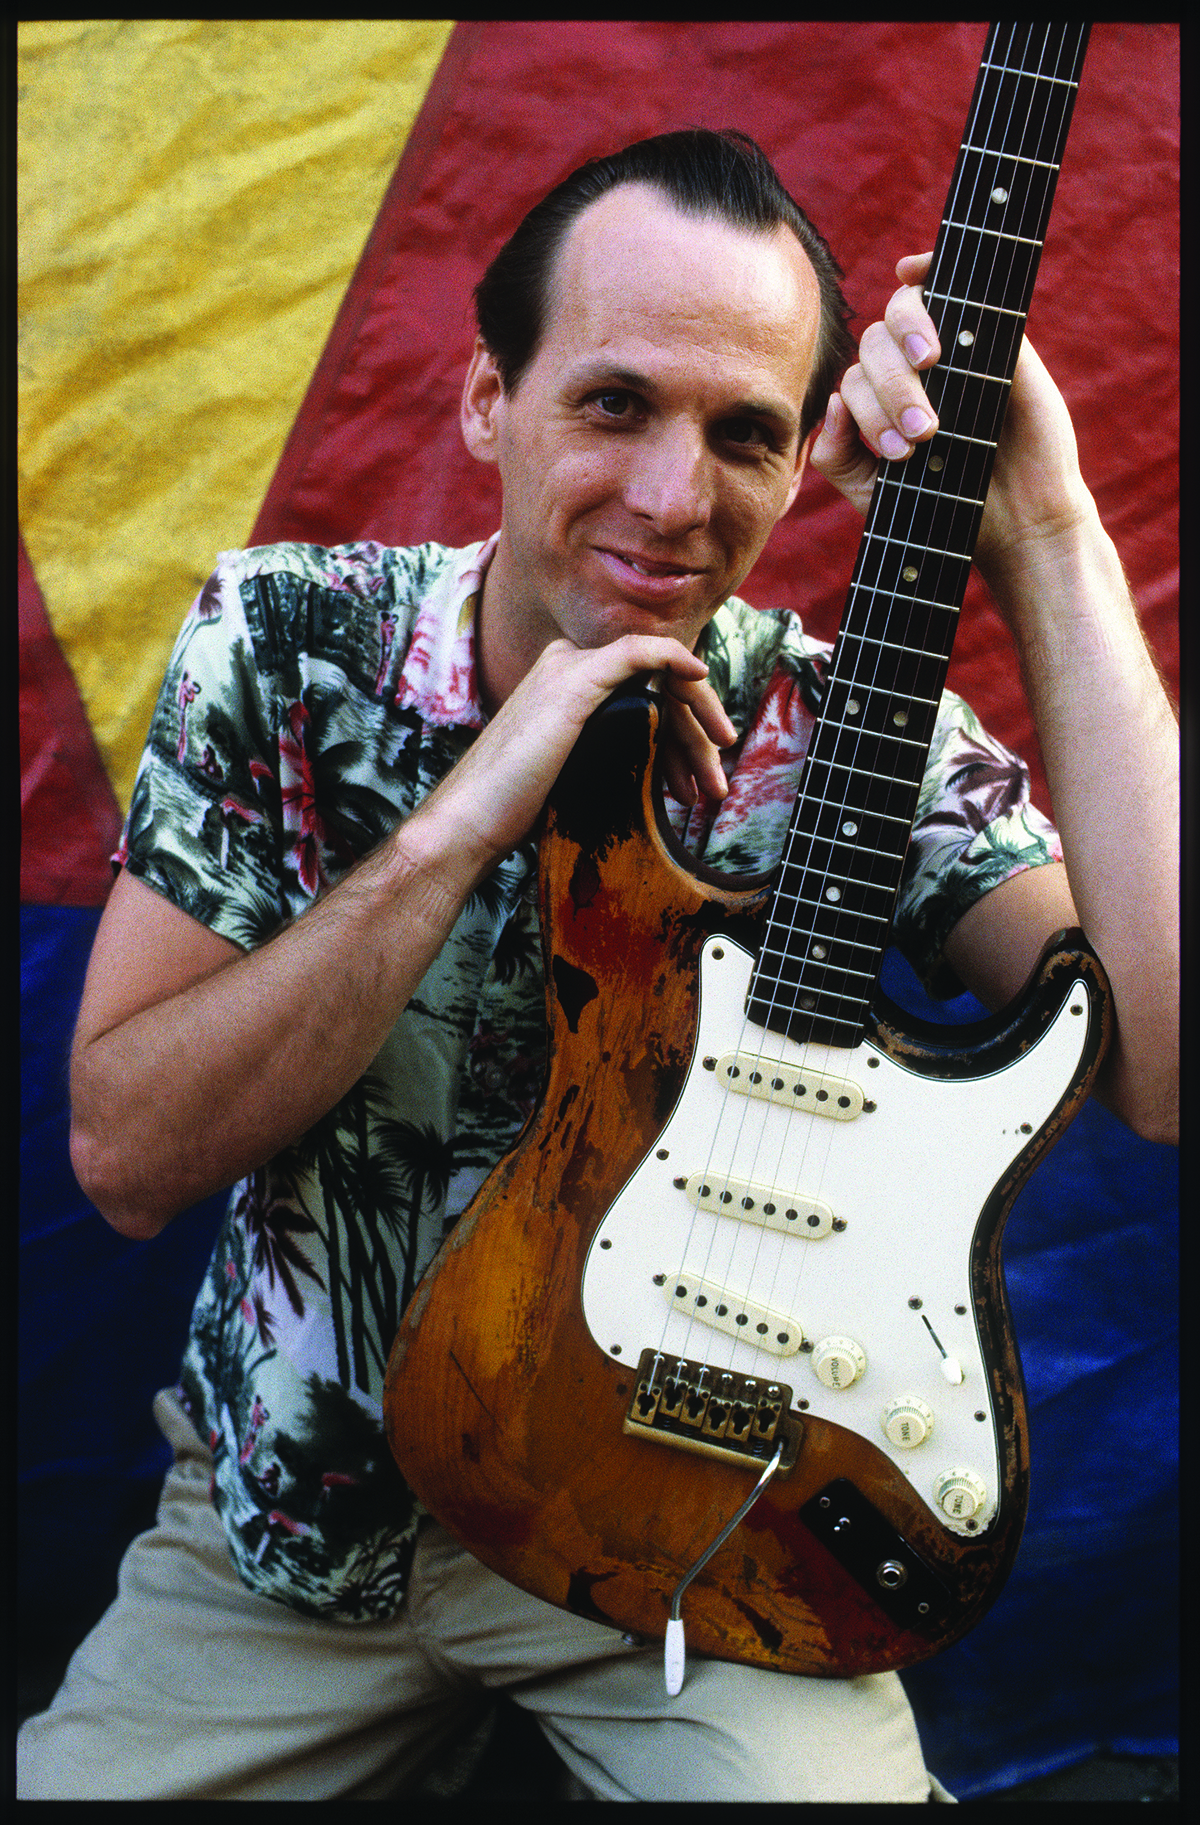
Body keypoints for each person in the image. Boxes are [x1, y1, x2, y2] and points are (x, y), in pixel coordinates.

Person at [18, 128, 1178, 1802]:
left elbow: (1168, 1070)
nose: (669, 497)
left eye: (745, 435)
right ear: (491, 399)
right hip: (301, 1529)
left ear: (805, 466)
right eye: (614, 403)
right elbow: (124, 1160)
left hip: (693, 1550)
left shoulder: (847, 740)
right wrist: (459, 819)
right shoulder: (282, 642)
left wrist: (1050, 534)